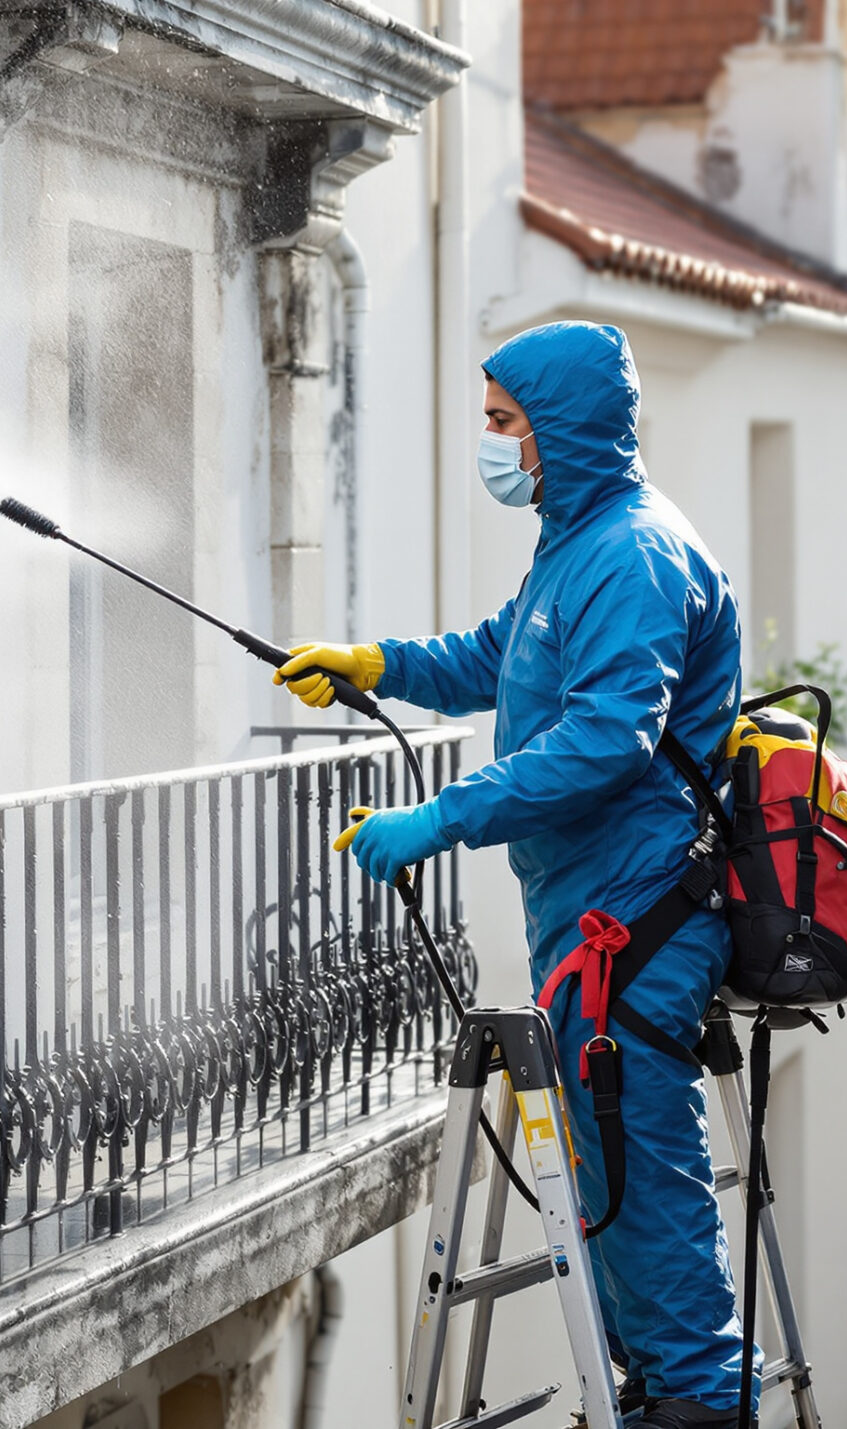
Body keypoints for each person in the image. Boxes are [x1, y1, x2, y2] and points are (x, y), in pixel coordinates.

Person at [277, 321, 748, 1426]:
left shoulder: (633, 555)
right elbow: (500, 657)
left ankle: (697, 1398)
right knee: (600, 1150)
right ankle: (657, 1381)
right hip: (590, 914)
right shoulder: (576, 539)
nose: (491, 444)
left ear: (563, 430)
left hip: (640, 915)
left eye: (504, 424)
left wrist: (442, 816)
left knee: (638, 1153)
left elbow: (603, 743)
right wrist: (376, 666)